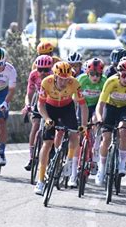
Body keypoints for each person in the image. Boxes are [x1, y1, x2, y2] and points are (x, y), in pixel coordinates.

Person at [34, 61, 88, 194]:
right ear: (55, 76)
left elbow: (83, 106)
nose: (64, 82)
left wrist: (84, 125)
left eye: (67, 79)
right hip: (50, 108)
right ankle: (40, 181)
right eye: (61, 79)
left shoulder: (74, 83)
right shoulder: (46, 82)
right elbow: (40, 105)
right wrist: (46, 119)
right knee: (47, 144)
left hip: (66, 108)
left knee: (74, 133)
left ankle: (69, 161)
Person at [95, 59, 126, 185]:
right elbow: (101, 103)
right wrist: (99, 118)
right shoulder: (111, 81)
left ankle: (122, 162)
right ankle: (102, 168)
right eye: (124, 75)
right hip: (110, 107)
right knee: (106, 138)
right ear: (118, 73)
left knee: (124, 130)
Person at [22, 55, 53, 171]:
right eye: (40, 69)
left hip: (51, 102)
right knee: (35, 125)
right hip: (39, 101)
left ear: (51, 69)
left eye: (46, 70)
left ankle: (51, 152)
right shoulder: (33, 75)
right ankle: (31, 157)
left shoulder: (54, 76)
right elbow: (29, 94)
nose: (43, 72)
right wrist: (28, 105)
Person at [77, 58, 107, 176]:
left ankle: (95, 145)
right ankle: (80, 153)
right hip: (82, 104)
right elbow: (74, 98)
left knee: (96, 121)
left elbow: (106, 100)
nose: (95, 78)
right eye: (92, 74)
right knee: (80, 129)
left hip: (96, 106)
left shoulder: (104, 81)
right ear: (87, 74)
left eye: (98, 75)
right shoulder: (81, 80)